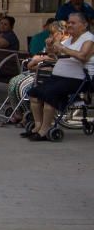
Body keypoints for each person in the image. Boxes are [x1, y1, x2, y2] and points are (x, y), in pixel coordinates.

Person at [25, 12, 94, 141]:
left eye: (73, 23)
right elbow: (54, 55)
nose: (69, 25)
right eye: (69, 22)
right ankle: (38, 126)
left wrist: (62, 48)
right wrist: (51, 45)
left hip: (77, 79)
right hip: (58, 77)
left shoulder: (89, 39)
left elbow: (83, 56)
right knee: (34, 93)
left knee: (50, 95)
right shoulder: (70, 39)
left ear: (84, 25)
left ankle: (45, 130)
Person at [6, 20, 65, 124]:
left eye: (53, 33)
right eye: (50, 33)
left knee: (23, 86)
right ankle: (19, 112)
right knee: (13, 82)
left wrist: (37, 60)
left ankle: (27, 113)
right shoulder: (52, 43)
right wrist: (41, 56)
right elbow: (42, 55)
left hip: (47, 73)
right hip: (40, 70)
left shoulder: (64, 44)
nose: (50, 36)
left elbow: (52, 58)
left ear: (62, 33)